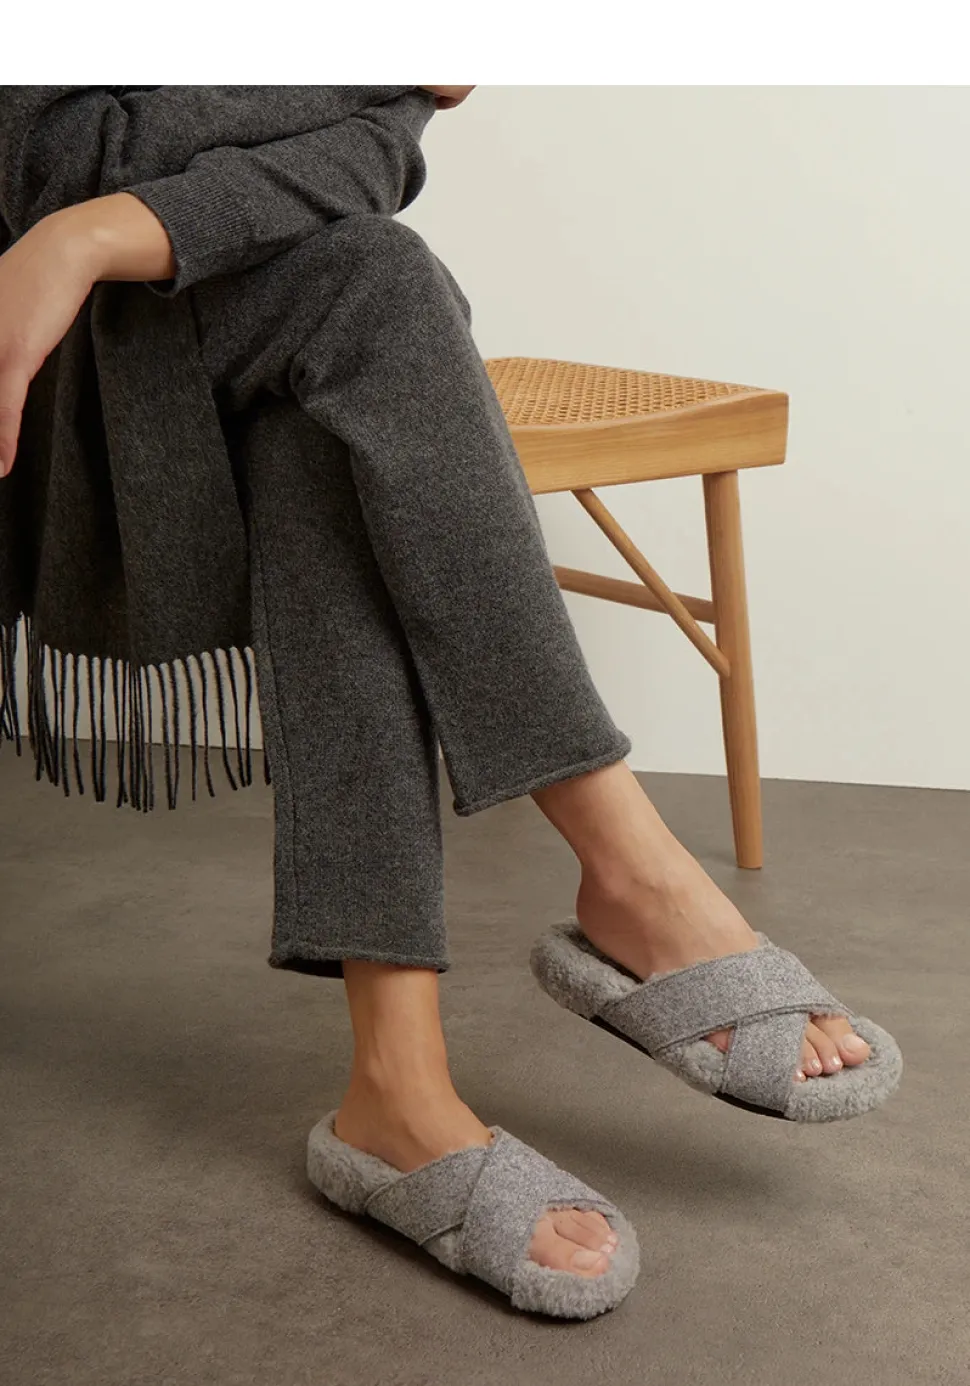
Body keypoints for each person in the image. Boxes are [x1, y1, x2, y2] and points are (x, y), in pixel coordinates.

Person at [0, 85, 900, 1320]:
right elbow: (62, 157)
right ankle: (625, 880)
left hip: (228, 308)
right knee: (375, 287)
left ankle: (400, 1089)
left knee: (343, 351)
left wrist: (102, 228)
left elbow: (375, 157)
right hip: (52, 350)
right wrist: (353, 68)